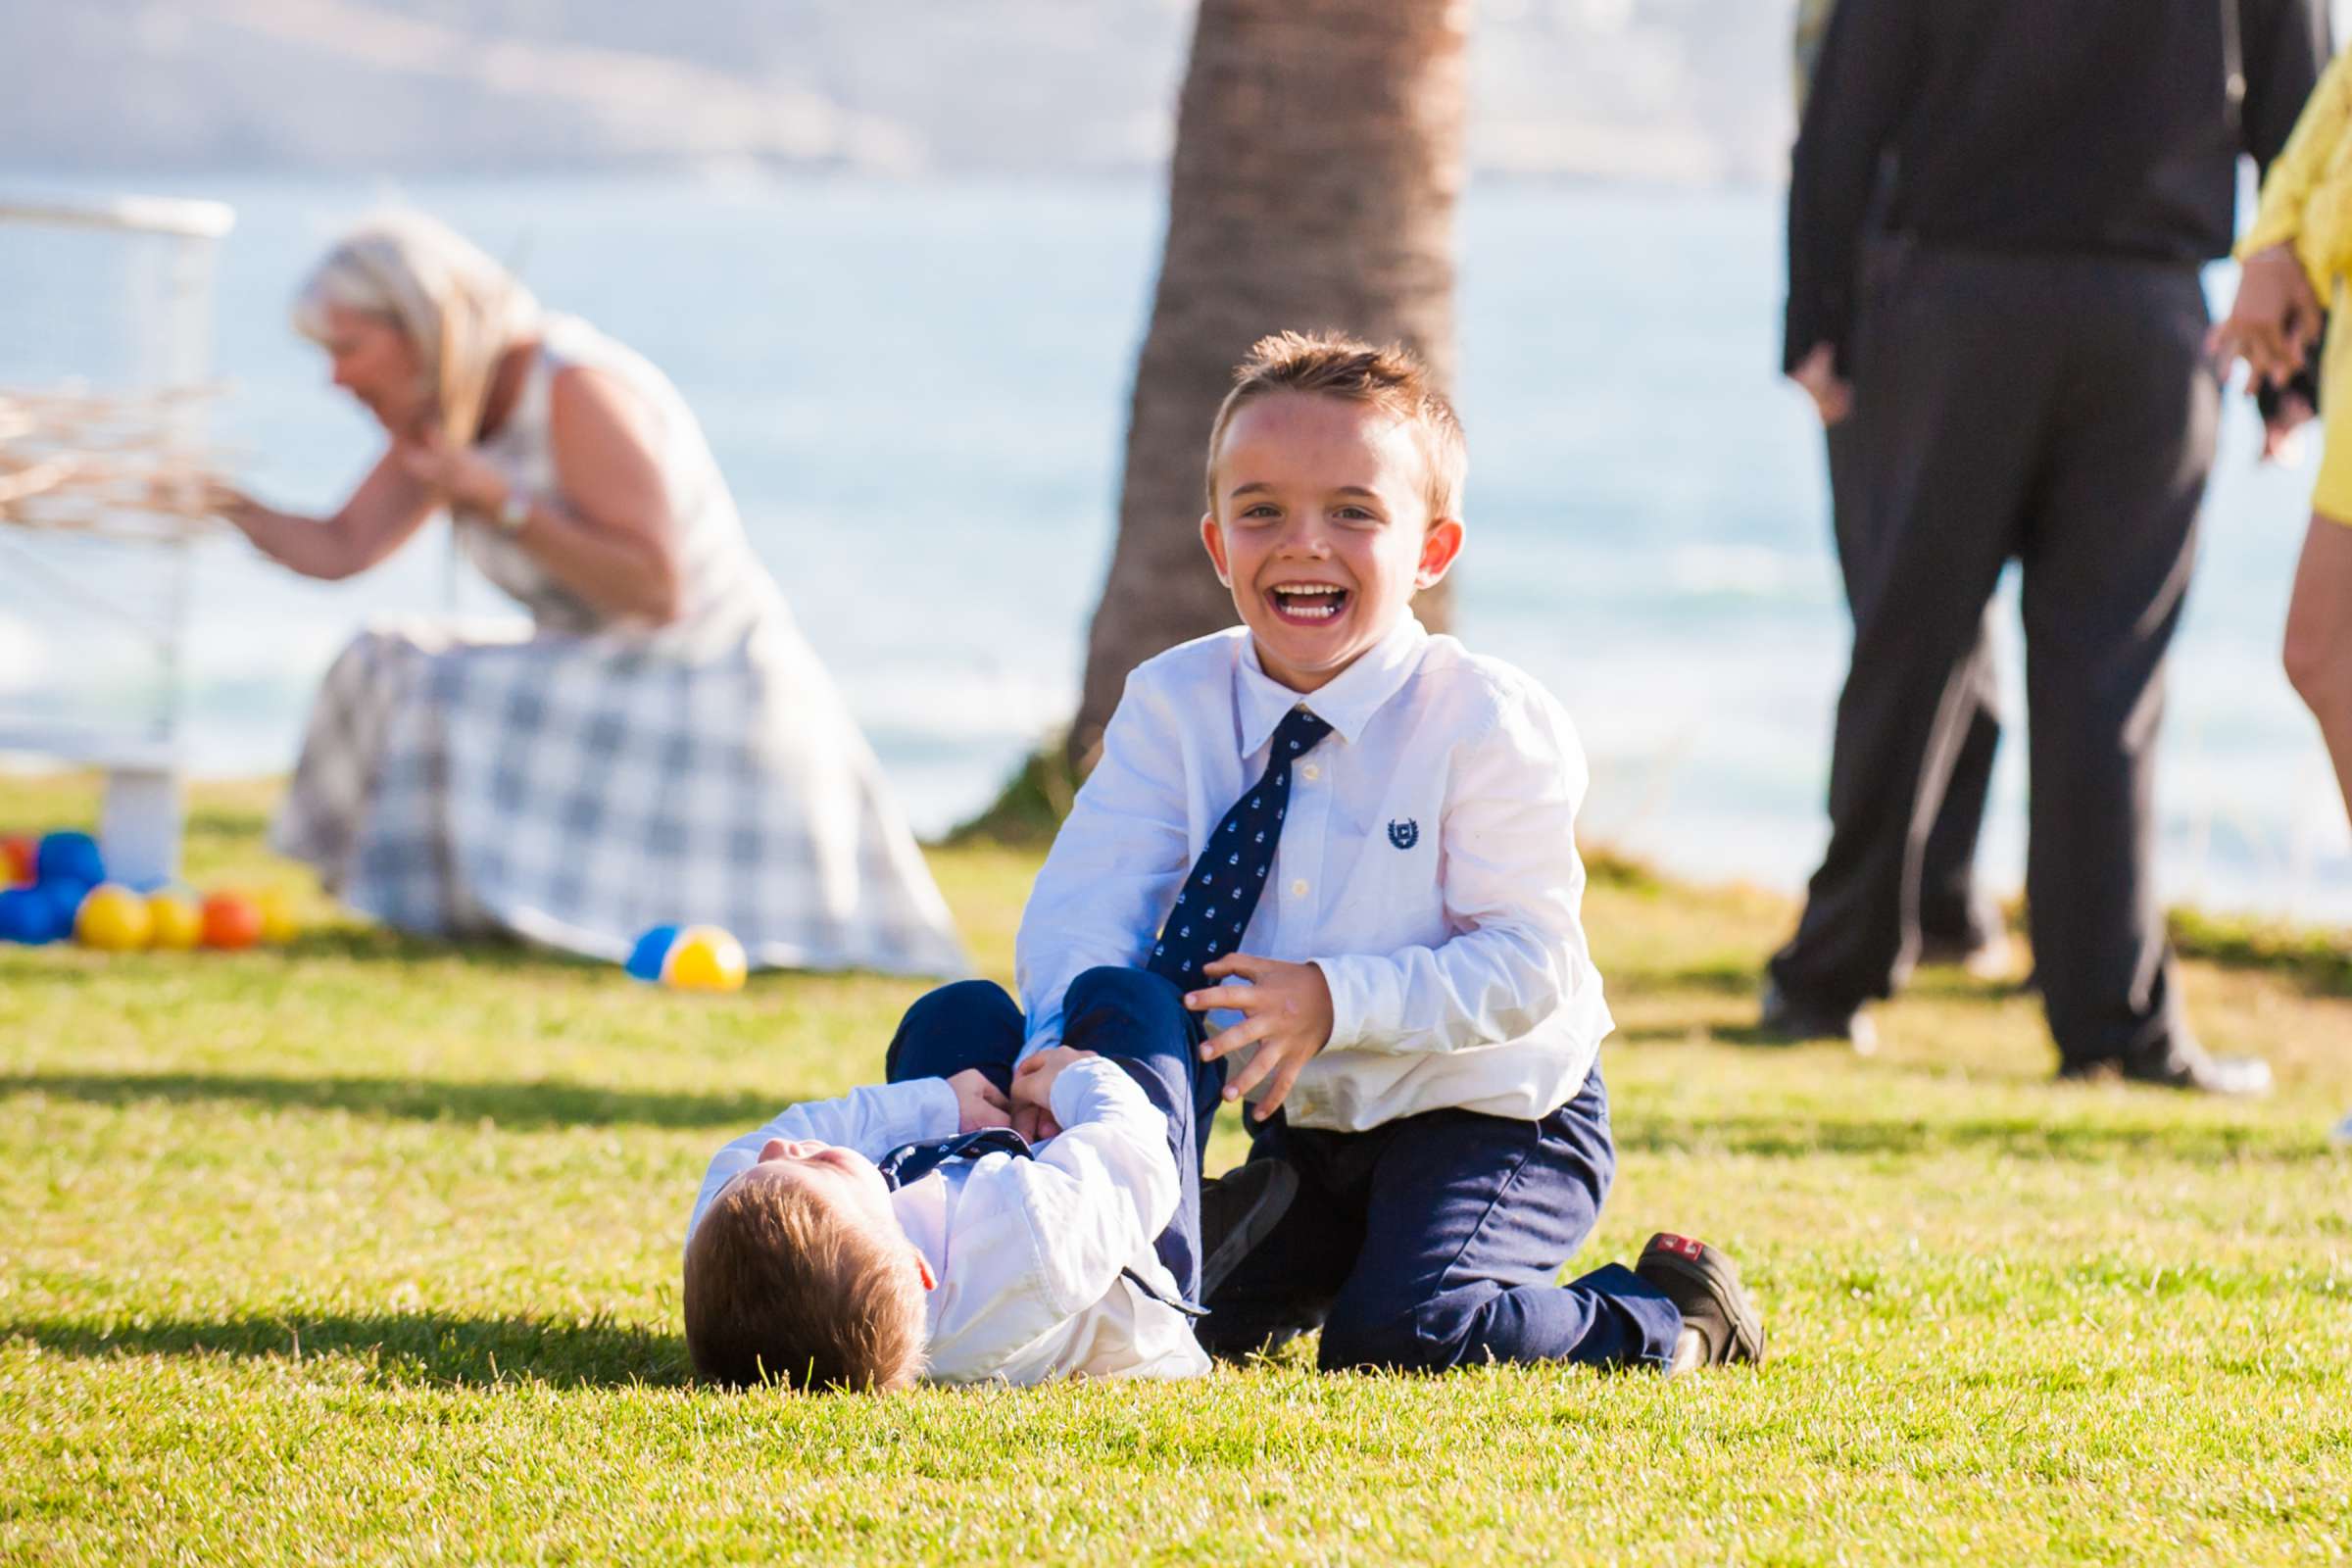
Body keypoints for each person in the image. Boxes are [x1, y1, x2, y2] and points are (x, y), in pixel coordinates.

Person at [922, 331, 1763, 1380]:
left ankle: (1668, 1314)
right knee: (1169, 1313)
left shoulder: (1487, 721)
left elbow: (1530, 964)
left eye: (1354, 512)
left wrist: (1335, 998)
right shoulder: (1173, 703)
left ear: (1432, 551)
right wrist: (1062, 1055)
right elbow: (1086, 909)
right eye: (1261, 510)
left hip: (1497, 1117)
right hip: (1311, 1135)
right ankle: (1278, 1230)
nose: (1303, 543)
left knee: (1400, 1336)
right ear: (1218, 544)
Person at [1771, 0, 2329, 1091]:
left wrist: (1815, 315)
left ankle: (1827, 981)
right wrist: (2297, 363)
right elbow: (2301, 121)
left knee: (1908, 645)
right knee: (2104, 678)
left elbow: (1845, 103)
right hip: (2145, 318)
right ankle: (2112, 1026)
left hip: (1952, 308)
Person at [209, 213, 964, 976]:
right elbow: (343, 548)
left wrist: (503, 502)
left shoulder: (573, 386)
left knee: (428, 677)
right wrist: (220, 501)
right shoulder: (445, 406)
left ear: (418, 323)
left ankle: (462, 908)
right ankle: (428, 904)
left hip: (696, 673)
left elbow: (657, 591)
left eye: (347, 348)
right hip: (591, 663)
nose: (336, 377)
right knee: (382, 654)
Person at [1791, 0, 2010, 984]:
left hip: (1914, 296)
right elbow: (1829, 132)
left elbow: (1836, 133)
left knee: (1915, 624)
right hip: (1896, 300)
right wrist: (1819, 315)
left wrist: (1819, 314)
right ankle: (1922, 905)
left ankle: (1936, 902)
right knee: (1921, 625)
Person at [683, 989, 1212, 1389]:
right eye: (821, 1161)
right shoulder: (1033, 1243)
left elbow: (751, 1151)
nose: (780, 1148)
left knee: (960, 1010)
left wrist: (941, 1104)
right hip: (1123, 1246)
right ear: (918, 1266)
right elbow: (1131, 1159)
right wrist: (1075, 1081)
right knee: (1127, 1001)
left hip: (985, 1175)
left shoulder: (734, 1231)